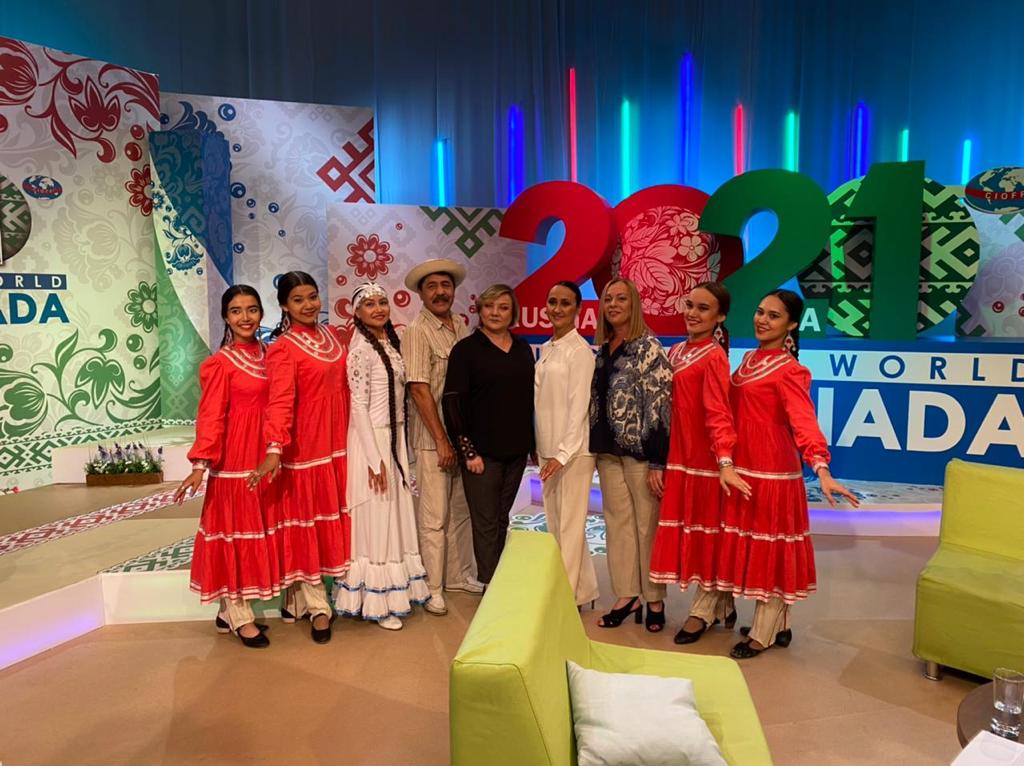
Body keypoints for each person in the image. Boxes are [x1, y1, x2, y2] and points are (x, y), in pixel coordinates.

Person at [719, 289, 859, 659]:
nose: (762, 320)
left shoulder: (791, 370)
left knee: (771, 552)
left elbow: (804, 423)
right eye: (760, 311)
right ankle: (781, 624)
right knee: (757, 548)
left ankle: (763, 633)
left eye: (774, 315)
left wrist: (822, 469)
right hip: (745, 470)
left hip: (774, 475)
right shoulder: (748, 360)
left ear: (792, 325)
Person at [249, 271, 350, 645]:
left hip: (339, 444)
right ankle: (318, 607)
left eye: (312, 296)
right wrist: (274, 448)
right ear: (284, 306)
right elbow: (279, 402)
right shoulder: (283, 348)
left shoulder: (334, 336)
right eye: (298, 299)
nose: (308, 305)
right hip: (306, 451)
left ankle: (299, 601)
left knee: (332, 526)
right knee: (308, 529)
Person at [175, 285, 277, 649]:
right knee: (236, 535)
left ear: (262, 312)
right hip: (235, 459)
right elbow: (211, 415)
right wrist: (200, 464)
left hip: (265, 456)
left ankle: (225, 612)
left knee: (256, 532)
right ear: (225, 317)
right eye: (236, 311)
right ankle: (240, 616)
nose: (245, 317)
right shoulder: (220, 364)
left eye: (252, 309)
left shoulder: (272, 355)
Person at [648, 282, 750, 644]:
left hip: (704, 463)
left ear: (720, 317)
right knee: (689, 534)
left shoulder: (714, 357)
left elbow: (718, 413)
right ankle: (723, 604)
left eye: (703, 308)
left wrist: (724, 460)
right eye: (690, 305)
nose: (692, 313)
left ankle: (702, 611)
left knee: (707, 536)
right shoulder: (675, 351)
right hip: (677, 458)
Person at [334, 283, 430, 630]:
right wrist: (374, 460)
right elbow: (358, 407)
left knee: (394, 514)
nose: (378, 309)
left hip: (394, 438)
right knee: (378, 515)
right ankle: (376, 598)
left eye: (382, 302)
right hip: (372, 440)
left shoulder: (389, 345)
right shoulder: (360, 351)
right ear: (357, 313)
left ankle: (395, 592)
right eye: (369, 304)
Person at [589, 278, 672, 632]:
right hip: (608, 452)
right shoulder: (603, 349)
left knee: (646, 525)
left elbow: (660, 406)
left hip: (641, 454)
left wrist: (657, 461)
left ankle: (654, 598)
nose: (613, 304)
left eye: (621, 298)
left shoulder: (648, 347)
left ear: (634, 304)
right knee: (617, 524)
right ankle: (627, 595)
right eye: (608, 298)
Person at [401, 259, 480, 617]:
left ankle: (457, 576)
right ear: (421, 293)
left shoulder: (461, 326)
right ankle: (432, 587)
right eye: (431, 286)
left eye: (445, 285)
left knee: (460, 512)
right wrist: (442, 440)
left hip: (462, 439)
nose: (440, 292)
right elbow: (419, 389)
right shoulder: (417, 331)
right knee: (434, 517)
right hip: (433, 441)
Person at [442, 284, 535, 585]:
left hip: (516, 452)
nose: (495, 313)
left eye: (503, 307)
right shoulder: (466, 350)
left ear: (513, 313)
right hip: (481, 455)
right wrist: (468, 451)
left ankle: (500, 582)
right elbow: (452, 402)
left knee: (501, 519)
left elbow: (528, 401)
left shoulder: (522, 349)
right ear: (480, 310)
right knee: (485, 523)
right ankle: (490, 586)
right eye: (489, 306)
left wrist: (532, 445)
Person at [534, 281, 599, 608]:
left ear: (577, 309)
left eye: (565, 303)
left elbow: (579, 408)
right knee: (558, 525)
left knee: (571, 527)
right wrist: (542, 448)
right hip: (548, 449)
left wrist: (562, 453)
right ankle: (584, 590)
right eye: (552, 302)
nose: (557, 309)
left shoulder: (580, 352)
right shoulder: (548, 348)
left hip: (573, 453)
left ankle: (565, 598)